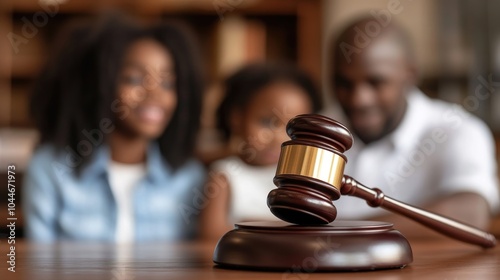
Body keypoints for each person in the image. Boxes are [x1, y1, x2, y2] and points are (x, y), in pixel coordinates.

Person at [22, 14, 206, 242]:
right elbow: (38, 266)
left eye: (167, 83)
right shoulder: (51, 169)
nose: (155, 94)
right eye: (134, 79)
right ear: (100, 84)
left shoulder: (188, 177)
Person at [326, 17, 499, 239]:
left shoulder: (459, 130)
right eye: (343, 83)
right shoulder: (313, 131)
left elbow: (470, 213)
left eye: (375, 82)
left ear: (410, 75)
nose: (359, 100)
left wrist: (337, 235)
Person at [199, 63, 322, 240]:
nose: (279, 138)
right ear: (237, 119)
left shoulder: (304, 177)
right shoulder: (225, 176)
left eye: (293, 129)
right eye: (267, 122)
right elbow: (209, 234)